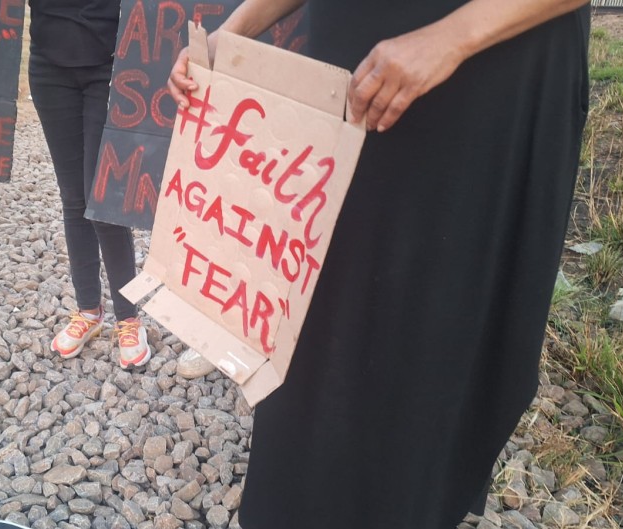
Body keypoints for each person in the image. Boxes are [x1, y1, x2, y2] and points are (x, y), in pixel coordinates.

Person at [168, 0, 590, 528]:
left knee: (427, 348)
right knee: (314, 338)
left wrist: (449, 37)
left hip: (485, 78)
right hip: (349, 78)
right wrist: (230, 34)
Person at [26, 0, 152, 368]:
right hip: (49, 64)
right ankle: (88, 311)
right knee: (73, 197)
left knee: (104, 199)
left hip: (110, 64)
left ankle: (128, 318)